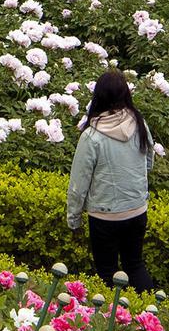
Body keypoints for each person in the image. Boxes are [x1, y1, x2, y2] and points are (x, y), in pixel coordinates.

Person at [66, 70, 155, 289]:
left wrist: (73, 219)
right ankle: (149, 314)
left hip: (104, 215)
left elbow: (79, 183)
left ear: (99, 96)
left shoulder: (92, 135)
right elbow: (149, 162)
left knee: (107, 272)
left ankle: (115, 317)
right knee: (134, 265)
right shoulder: (139, 123)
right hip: (136, 210)